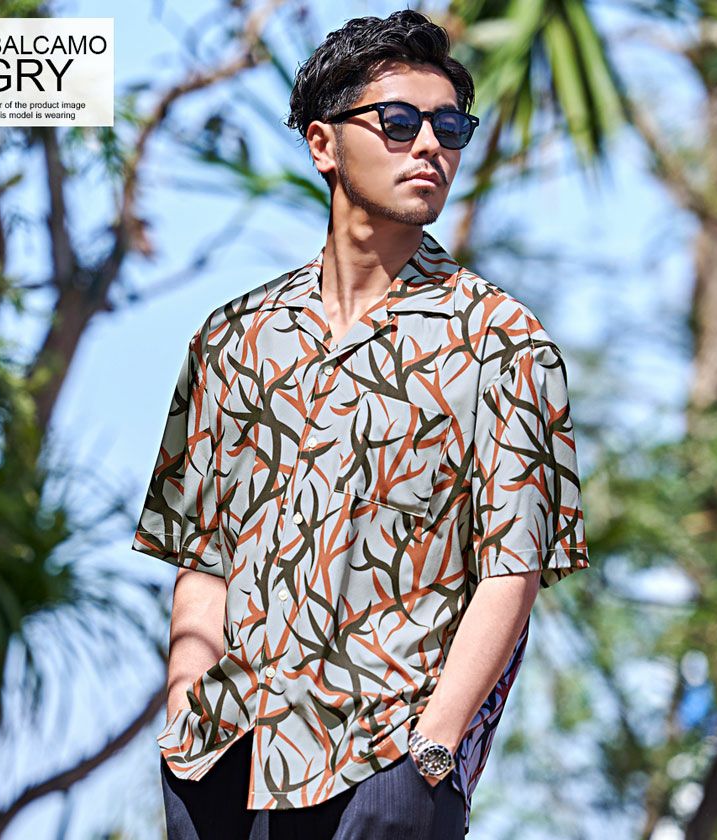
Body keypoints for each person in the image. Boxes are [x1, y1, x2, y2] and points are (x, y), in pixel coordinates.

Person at [131, 9, 591, 840]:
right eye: (400, 122)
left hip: (383, 765)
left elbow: (513, 569)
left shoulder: (502, 342)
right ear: (323, 143)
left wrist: (432, 753)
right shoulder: (234, 337)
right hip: (221, 759)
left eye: (450, 127)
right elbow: (202, 552)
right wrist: (184, 708)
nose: (431, 146)